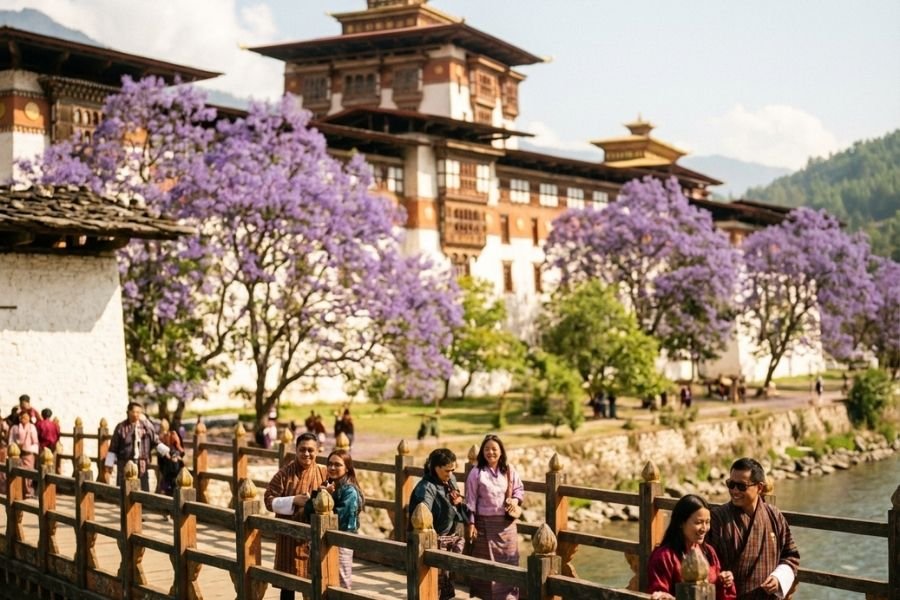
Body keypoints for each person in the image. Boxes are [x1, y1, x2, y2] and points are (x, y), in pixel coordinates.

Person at [707, 458, 800, 599]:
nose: (734, 491)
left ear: (760, 487)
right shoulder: (718, 518)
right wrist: (720, 576)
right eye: (731, 484)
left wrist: (778, 578)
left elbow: (791, 555)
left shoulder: (774, 515)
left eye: (741, 486)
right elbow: (704, 561)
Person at [264, 432, 327, 600]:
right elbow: (268, 500)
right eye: (302, 450)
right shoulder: (284, 474)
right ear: (296, 450)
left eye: (310, 450)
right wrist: (294, 500)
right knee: (288, 582)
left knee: (314, 582)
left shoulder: (324, 473)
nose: (306, 454)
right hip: (288, 538)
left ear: (317, 451)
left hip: (313, 537)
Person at [464, 434, 525, 600]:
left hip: (507, 526)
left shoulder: (510, 470)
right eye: (487, 449)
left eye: (494, 449)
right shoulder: (476, 473)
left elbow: (519, 489)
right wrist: (471, 524)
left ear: (501, 451)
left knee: (510, 563)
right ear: (482, 452)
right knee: (486, 567)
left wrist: (515, 499)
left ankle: (510, 597)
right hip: (484, 526)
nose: (490, 452)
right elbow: (470, 501)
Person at [647, 494, 736, 600]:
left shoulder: (708, 551)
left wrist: (725, 582)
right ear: (681, 522)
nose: (704, 528)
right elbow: (658, 593)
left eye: (707, 522)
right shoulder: (664, 557)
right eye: (698, 522)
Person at [408, 448, 467, 600]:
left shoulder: (450, 480)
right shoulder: (426, 487)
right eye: (447, 470)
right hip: (431, 541)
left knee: (447, 584)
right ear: (436, 468)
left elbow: (458, 506)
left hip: (451, 538)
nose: (451, 474)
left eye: (453, 470)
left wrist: (459, 502)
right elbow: (421, 514)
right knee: (433, 586)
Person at [304, 449, 363, 589]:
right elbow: (307, 511)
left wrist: (327, 497)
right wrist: (320, 493)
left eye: (337, 465)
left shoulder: (349, 491)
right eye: (329, 464)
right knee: (317, 580)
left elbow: (341, 519)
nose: (332, 468)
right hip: (320, 539)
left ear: (347, 468)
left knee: (341, 583)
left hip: (341, 542)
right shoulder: (327, 484)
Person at [104, 402, 170, 491]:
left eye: (139, 412)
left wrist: (166, 452)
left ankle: (144, 504)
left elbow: (155, 440)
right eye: (134, 412)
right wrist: (109, 464)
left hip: (142, 462)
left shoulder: (146, 426)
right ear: (128, 412)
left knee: (143, 487)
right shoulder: (121, 427)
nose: (136, 414)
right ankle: (124, 504)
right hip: (125, 462)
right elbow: (113, 446)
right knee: (124, 487)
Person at [8, 410, 39, 497]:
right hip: (17, 455)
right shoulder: (15, 427)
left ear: (29, 418)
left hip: (28, 454)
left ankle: (28, 491)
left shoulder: (32, 427)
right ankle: (18, 491)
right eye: (22, 417)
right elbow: (11, 440)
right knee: (17, 474)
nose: (23, 418)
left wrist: (27, 449)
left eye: (25, 417)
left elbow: (35, 442)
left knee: (28, 474)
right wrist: (14, 448)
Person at [156, 418, 185, 496]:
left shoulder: (172, 434)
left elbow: (180, 450)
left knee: (173, 483)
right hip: (165, 465)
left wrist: (174, 456)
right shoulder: (159, 437)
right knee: (166, 485)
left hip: (173, 464)